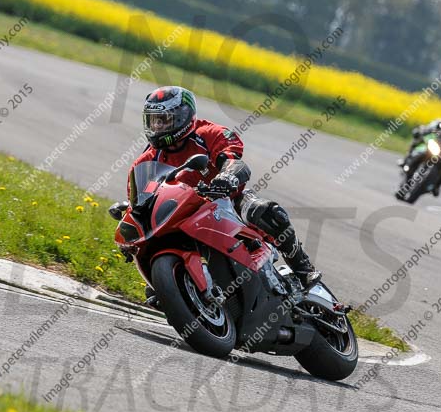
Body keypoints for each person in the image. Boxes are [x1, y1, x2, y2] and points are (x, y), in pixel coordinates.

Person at [124, 86, 320, 305]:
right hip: (181, 214)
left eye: (164, 119)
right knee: (155, 288)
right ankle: (184, 286)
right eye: (153, 121)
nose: (158, 126)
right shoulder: (145, 162)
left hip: (226, 202)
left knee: (267, 212)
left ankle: (303, 271)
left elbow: (236, 162)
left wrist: (227, 177)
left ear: (183, 117)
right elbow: (139, 201)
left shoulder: (208, 133)